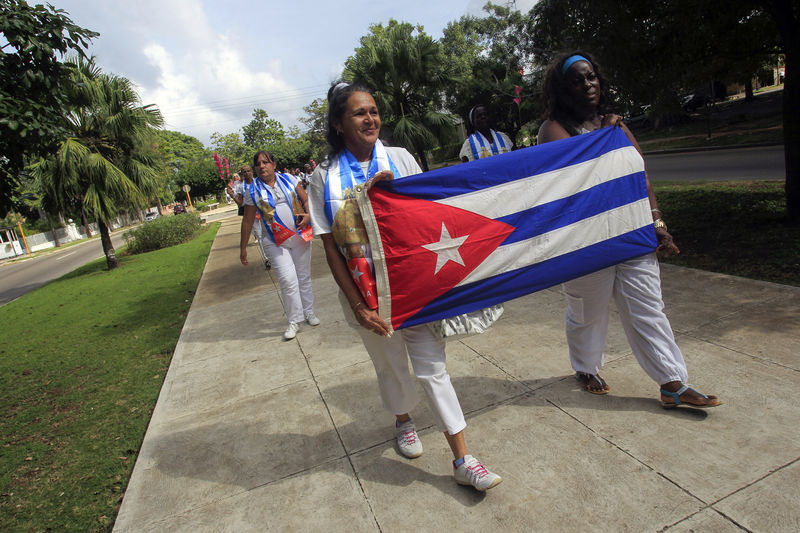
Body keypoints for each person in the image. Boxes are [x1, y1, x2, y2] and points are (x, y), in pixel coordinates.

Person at [308, 81, 502, 491]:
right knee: (391, 367)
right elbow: (329, 248)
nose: (370, 118)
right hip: (367, 296)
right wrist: (359, 306)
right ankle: (403, 420)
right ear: (339, 124)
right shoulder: (322, 178)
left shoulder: (400, 159)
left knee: (433, 368)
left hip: (415, 289)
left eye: (374, 111)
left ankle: (463, 458)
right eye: (359, 113)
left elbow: (427, 217)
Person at [537, 51, 721, 409]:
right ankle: (586, 367)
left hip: (630, 233)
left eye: (591, 77)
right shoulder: (553, 129)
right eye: (577, 79)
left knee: (648, 308)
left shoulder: (615, 124)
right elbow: (578, 178)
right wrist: (605, 137)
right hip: (585, 242)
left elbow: (641, 177)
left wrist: (658, 223)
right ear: (563, 87)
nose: (588, 84)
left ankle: (673, 383)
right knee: (588, 313)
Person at [241, 151, 319, 340]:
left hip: (299, 236)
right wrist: (242, 247)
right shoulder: (252, 191)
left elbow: (306, 199)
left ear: (274, 164)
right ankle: (294, 320)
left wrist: (308, 215)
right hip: (275, 242)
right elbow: (247, 221)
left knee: (303, 277)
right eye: (258, 163)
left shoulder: (289, 179)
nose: (261, 166)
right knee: (287, 279)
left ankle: (309, 312)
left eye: (265, 162)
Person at [230, 166, 271, 270]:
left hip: (264, 212)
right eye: (244, 172)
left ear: (252, 171)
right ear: (242, 174)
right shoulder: (240, 186)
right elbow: (241, 203)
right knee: (260, 236)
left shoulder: (259, 182)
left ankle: (272, 254)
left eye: (249, 171)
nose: (247, 173)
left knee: (268, 233)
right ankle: (266, 259)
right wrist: (232, 196)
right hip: (251, 215)